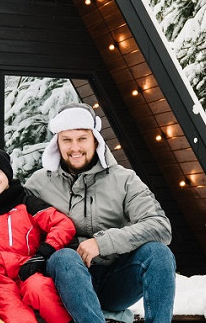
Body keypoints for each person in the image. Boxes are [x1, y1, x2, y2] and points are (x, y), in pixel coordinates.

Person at [24, 104, 175, 323]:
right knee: (64, 256)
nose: (75, 147)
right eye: (67, 139)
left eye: (82, 138)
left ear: (95, 139)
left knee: (158, 253)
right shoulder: (38, 184)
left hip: (116, 280)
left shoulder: (124, 179)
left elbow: (160, 226)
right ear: (57, 142)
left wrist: (102, 243)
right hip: (66, 279)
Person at [0, 147, 73, 323]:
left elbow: (63, 225)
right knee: (18, 317)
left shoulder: (27, 203)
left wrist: (43, 252)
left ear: (7, 173)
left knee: (40, 290)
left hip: (29, 270)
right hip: (0, 282)